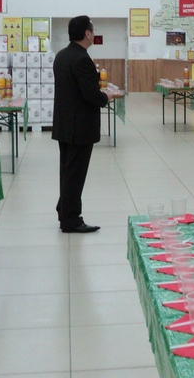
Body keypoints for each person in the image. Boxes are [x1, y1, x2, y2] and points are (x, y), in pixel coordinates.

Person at [52, 15, 112, 233]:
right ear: (87, 34)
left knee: (67, 172)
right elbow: (90, 94)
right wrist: (106, 97)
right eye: (92, 31)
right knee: (75, 175)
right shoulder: (82, 59)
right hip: (80, 127)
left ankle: (64, 210)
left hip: (64, 124)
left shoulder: (61, 56)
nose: (93, 34)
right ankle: (71, 219)